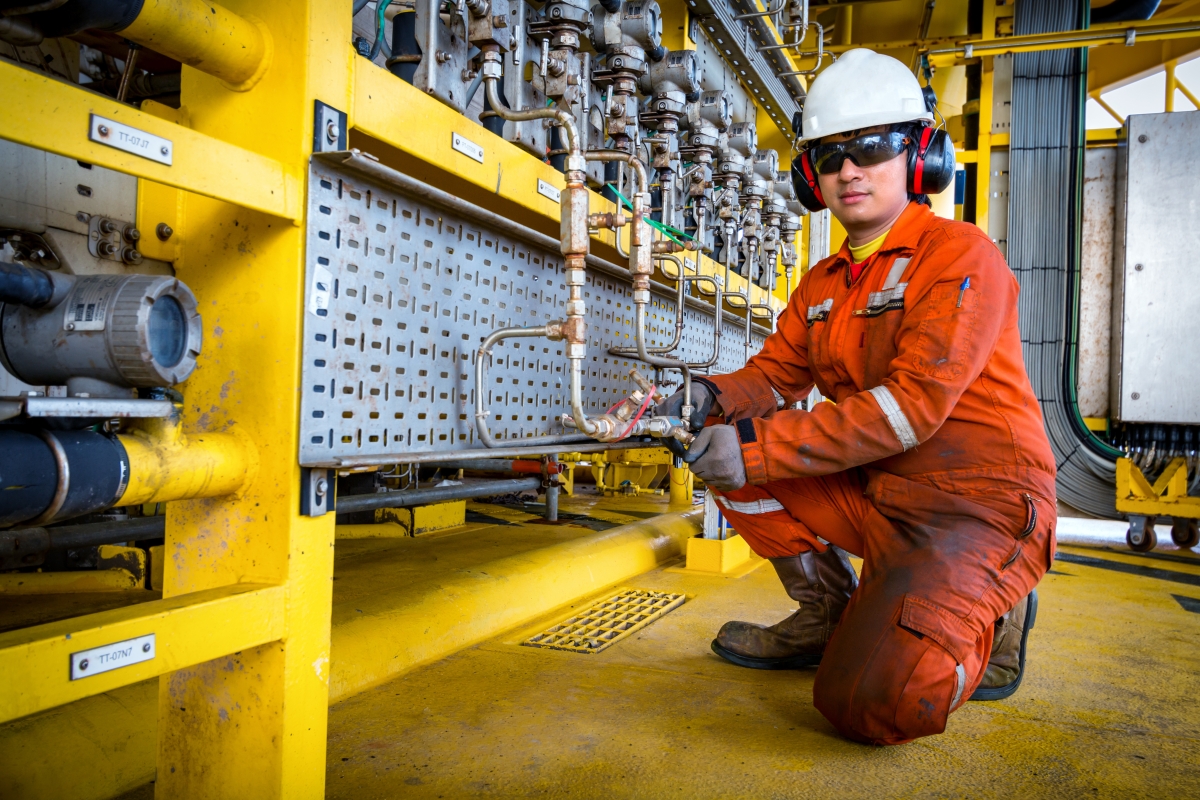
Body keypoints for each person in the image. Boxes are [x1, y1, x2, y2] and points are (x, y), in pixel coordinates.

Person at [658, 48, 1057, 746]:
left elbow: (913, 407)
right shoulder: (824, 283)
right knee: (726, 436)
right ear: (810, 174)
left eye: (870, 148)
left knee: (874, 705)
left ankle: (992, 605)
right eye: (829, 154)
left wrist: (755, 450)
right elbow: (773, 378)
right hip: (877, 489)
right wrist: (705, 395)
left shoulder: (959, 256)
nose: (848, 170)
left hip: (975, 501)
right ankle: (825, 615)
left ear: (920, 156)